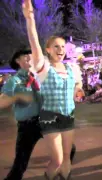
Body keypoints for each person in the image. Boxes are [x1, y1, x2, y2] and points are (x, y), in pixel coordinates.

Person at [23, 1, 83, 179]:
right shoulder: (44, 68)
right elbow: (33, 41)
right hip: (49, 117)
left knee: (66, 158)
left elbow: (78, 85)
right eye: (56, 46)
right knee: (56, 160)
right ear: (48, 50)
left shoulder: (72, 68)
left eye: (63, 47)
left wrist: (78, 91)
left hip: (68, 116)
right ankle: (48, 176)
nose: (61, 50)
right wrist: (30, 18)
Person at [1, 49, 76, 180]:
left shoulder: (39, 76)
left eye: (30, 55)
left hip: (45, 120)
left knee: (70, 148)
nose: (29, 58)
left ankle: (58, 170)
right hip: (27, 126)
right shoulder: (14, 81)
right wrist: (17, 96)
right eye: (25, 56)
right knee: (20, 164)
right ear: (17, 61)